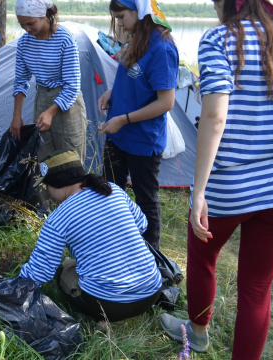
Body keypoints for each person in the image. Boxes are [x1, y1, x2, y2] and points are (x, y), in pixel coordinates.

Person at [160, 0, 273, 358]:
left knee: (202, 253)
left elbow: (214, 118)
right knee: (257, 289)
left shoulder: (219, 40)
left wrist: (199, 191)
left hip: (229, 186)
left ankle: (198, 333)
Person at [19, 150, 162, 322]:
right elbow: (142, 224)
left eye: (47, 186)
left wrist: (15, 290)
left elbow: (40, 270)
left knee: (65, 268)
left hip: (108, 305)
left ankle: (100, 320)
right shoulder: (113, 190)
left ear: (56, 183)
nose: (48, 192)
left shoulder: (59, 217)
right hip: (152, 291)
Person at [97, 0, 179, 250]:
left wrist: (124, 119)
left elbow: (166, 102)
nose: (119, 23)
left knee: (146, 200)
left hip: (142, 140)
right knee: (109, 192)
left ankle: (152, 257)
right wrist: (113, 91)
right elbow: (137, 80)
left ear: (139, 12)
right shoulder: (137, 38)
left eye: (121, 17)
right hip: (118, 135)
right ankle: (113, 247)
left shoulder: (162, 47)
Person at [9, 0, 87, 164]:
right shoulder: (24, 43)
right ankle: (47, 191)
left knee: (70, 157)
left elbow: (72, 86)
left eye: (30, 24)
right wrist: (17, 115)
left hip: (67, 102)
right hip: (42, 97)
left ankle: (73, 190)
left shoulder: (65, 39)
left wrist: (51, 112)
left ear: (43, 15)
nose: (27, 29)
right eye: (22, 25)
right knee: (44, 158)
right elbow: (21, 81)